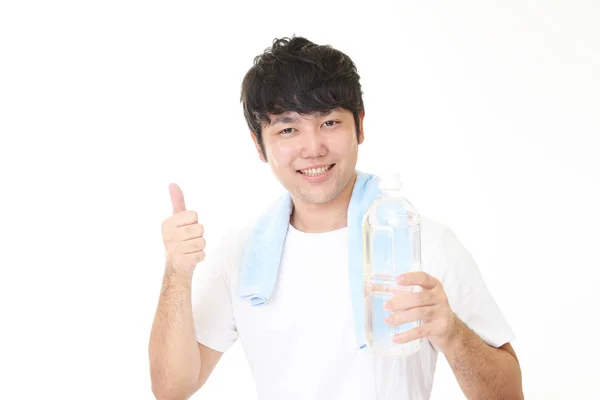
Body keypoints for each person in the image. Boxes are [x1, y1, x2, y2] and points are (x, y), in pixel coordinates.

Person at [149, 36, 524, 400]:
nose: (313, 148)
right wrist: (177, 274)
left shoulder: (421, 242)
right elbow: (172, 388)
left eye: (329, 122)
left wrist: (454, 335)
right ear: (258, 145)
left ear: (360, 125)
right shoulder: (242, 254)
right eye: (288, 128)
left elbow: (510, 394)